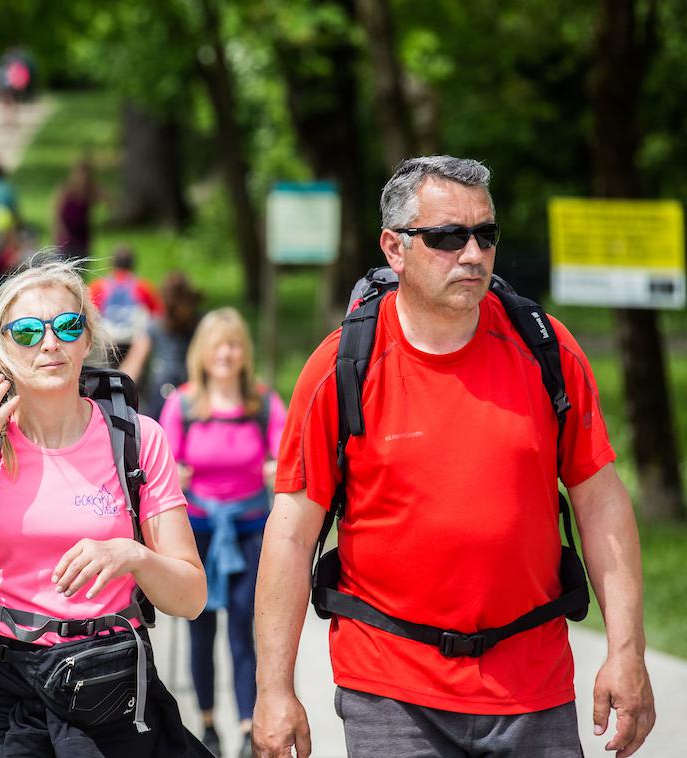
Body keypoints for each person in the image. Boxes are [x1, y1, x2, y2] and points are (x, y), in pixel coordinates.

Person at [254, 156, 656, 758]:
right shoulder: (341, 368)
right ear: (395, 247)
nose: (472, 254)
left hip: (532, 682)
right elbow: (290, 535)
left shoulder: (546, 349)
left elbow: (599, 499)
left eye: (485, 234)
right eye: (447, 237)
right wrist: (273, 690)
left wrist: (627, 652)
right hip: (390, 686)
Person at [0, 258, 211, 757]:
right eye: (26, 331)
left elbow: (191, 597)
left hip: (107, 681)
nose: (50, 343)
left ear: (87, 340)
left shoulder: (137, 439)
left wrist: (132, 556)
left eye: (68, 326)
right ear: (1, 347)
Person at [158, 308, 286, 758]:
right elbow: (159, 466)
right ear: (203, 353)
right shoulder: (184, 405)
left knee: (244, 630)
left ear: (243, 351)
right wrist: (176, 474)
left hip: (250, 531)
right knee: (200, 628)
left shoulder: (264, 403)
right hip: (199, 530)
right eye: (218, 345)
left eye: (233, 344)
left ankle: (249, 725)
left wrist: (277, 470)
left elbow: (288, 457)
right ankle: (209, 725)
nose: (226, 354)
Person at [122, 271, 203, 421]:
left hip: (193, 400)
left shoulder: (200, 327)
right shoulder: (155, 327)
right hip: (161, 399)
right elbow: (133, 365)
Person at [89, 245, 163, 366]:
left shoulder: (98, 287)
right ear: (133, 264)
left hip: (108, 342)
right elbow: (157, 314)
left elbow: (90, 313)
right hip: (134, 343)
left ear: (111, 264)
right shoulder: (142, 287)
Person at [53, 160, 100, 263]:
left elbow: (105, 198)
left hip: (82, 237)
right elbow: (57, 213)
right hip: (67, 238)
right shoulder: (66, 190)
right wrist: (59, 232)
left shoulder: (90, 190)